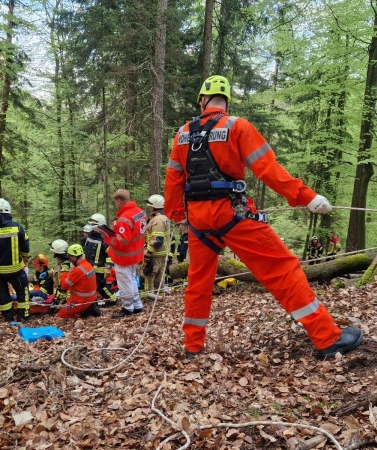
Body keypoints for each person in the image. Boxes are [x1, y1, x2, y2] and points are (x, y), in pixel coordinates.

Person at [164, 75, 362, 360]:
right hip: (231, 213)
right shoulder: (236, 126)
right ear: (226, 101)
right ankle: (327, 338)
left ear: (202, 100)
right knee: (283, 269)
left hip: (198, 221)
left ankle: (193, 347)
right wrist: (306, 197)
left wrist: (177, 215)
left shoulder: (182, 134)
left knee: (198, 284)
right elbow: (267, 169)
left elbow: (173, 179)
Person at [96, 189, 146, 318]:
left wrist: (106, 237)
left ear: (119, 201)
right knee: (132, 280)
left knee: (125, 282)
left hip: (124, 256)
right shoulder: (140, 212)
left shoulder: (124, 219)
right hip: (135, 253)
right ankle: (137, 305)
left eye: (116, 203)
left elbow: (122, 242)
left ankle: (127, 307)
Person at [0, 198, 31, 321]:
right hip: (16, 269)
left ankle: (8, 317)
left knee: (3, 294)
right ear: (8, 212)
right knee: (22, 291)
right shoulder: (17, 227)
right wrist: (25, 260)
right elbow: (25, 246)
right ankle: (23, 316)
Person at [56, 244, 101, 319]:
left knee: (61, 315)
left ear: (74, 257)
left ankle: (83, 311)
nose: (70, 260)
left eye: (70, 257)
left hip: (79, 300)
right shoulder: (88, 264)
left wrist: (64, 271)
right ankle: (86, 310)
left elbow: (63, 285)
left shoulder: (78, 270)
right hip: (91, 298)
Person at [85, 213, 117, 306]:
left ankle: (112, 299)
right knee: (90, 286)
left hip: (99, 268)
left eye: (93, 225)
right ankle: (92, 302)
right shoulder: (90, 235)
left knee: (101, 286)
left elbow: (110, 254)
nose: (91, 226)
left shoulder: (104, 238)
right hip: (89, 267)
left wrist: (108, 267)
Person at [142, 194, 171, 293]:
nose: (149, 207)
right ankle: (160, 295)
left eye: (150, 205)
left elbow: (157, 240)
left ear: (155, 206)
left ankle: (149, 297)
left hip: (155, 253)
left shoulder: (157, 220)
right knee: (160, 275)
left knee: (149, 275)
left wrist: (148, 253)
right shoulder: (163, 217)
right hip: (162, 253)